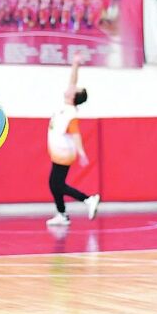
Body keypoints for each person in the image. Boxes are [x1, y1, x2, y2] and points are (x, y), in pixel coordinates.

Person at [46, 53, 99, 226]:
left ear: (73, 96)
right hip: (58, 151)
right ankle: (62, 214)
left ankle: (88, 199)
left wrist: (82, 153)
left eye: (74, 89)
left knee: (57, 184)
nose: (71, 87)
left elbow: (76, 134)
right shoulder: (66, 105)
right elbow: (73, 80)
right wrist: (75, 64)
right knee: (54, 184)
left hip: (64, 153)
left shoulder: (71, 114)